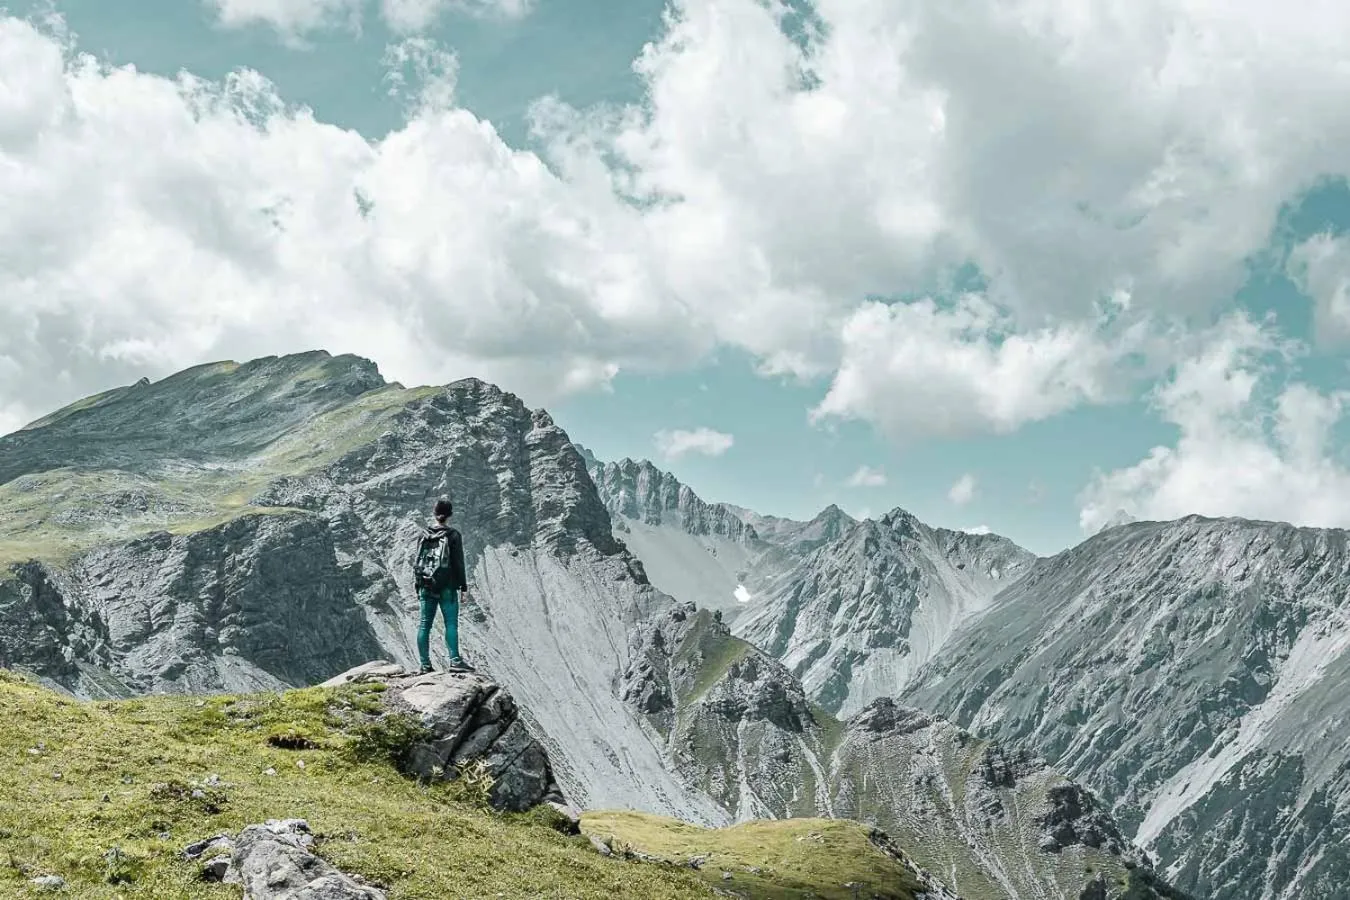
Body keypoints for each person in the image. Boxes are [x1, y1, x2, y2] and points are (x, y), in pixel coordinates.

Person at [412, 497, 474, 674]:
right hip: (447, 587)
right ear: (450, 515)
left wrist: (418, 584)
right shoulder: (453, 535)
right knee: (451, 624)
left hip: (426, 584)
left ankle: (425, 665)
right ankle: (455, 661)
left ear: (434, 513)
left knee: (424, 624)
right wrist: (463, 587)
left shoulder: (422, 535)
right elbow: (458, 563)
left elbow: (418, 560)